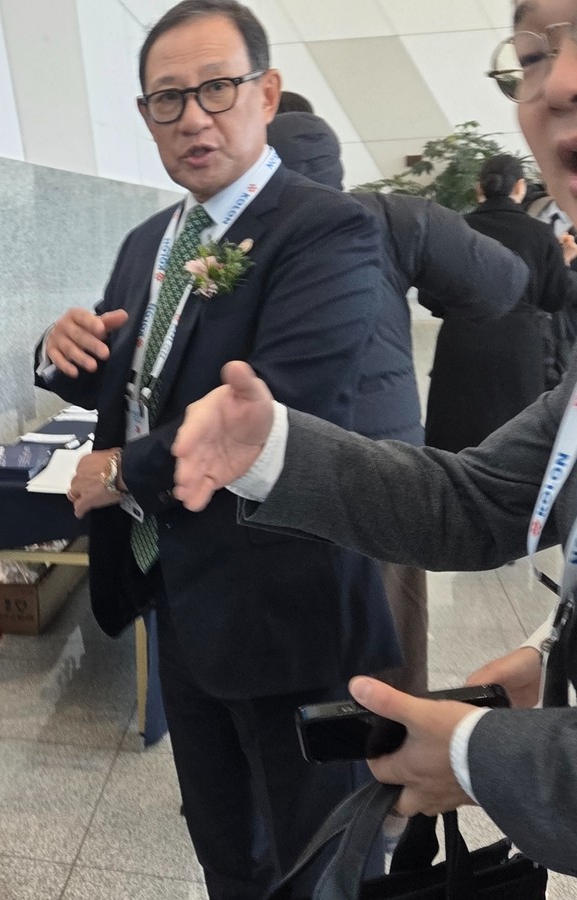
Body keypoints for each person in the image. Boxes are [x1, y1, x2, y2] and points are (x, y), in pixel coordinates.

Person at [168, 2, 577, 875]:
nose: (560, 83)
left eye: (215, 91)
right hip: (325, 513)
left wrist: (477, 755)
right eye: (533, 54)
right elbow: (474, 500)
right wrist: (272, 448)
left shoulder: (347, 222)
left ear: (264, 103)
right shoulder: (182, 244)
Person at [35, 2, 400, 895]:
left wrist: (120, 472)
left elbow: (275, 411)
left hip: (287, 609)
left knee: (319, 860)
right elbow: (131, 383)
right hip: (180, 597)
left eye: (218, 89)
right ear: (146, 115)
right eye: (168, 99)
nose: (193, 117)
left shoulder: (327, 228)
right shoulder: (148, 242)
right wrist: (58, 354)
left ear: (266, 94)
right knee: (226, 851)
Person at [268, 108, 529, 694]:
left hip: (273, 467)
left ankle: (300, 739)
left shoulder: (235, 233)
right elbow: (502, 283)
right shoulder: (390, 217)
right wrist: (429, 290)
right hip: (384, 466)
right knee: (390, 627)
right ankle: (392, 736)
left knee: (286, 637)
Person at [422, 153, 577, 452]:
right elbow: (554, 298)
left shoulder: (456, 227)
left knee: (453, 434)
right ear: (520, 187)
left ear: (479, 188)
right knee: (513, 438)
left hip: (460, 342)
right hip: (519, 347)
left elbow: (431, 296)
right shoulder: (539, 233)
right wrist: (563, 261)